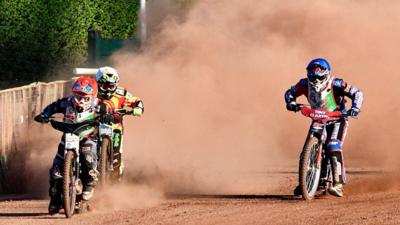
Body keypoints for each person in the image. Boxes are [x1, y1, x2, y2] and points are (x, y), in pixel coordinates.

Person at [284, 58, 363, 197]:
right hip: (317, 119)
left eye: (319, 77)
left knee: (332, 145)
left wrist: (355, 108)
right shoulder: (303, 84)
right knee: (305, 151)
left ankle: (338, 184)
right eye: (312, 77)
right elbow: (289, 93)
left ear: (326, 74)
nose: (315, 81)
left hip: (337, 119)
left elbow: (357, 93)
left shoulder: (336, 83)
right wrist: (291, 102)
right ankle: (308, 182)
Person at [34, 76, 100, 214]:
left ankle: (86, 192)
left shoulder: (98, 105)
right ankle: (55, 199)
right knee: (55, 172)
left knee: (89, 160)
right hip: (68, 137)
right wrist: (44, 115)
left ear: (93, 96)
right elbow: (53, 106)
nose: (80, 100)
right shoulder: (66, 103)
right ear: (73, 93)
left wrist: (109, 116)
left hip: (87, 138)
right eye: (78, 95)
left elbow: (109, 110)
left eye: (85, 97)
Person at [95, 66, 144, 180]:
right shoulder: (92, 92)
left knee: (117, 155)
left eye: (111, 86)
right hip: (94, 125)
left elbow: (137, 101)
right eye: (104, 86)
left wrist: (138, 109)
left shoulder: (122, 93)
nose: (107, 89)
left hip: (115, 127)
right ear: (98, 83)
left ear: (116, 84)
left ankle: (116, 181)